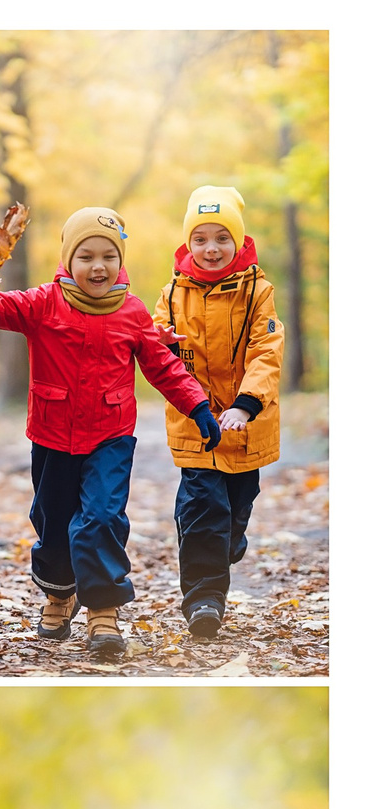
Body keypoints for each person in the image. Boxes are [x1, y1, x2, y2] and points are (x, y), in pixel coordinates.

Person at [0, 207, 215, 658]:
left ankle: (103, 609)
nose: (98, 266)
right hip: (51, 432)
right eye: (86, 256)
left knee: (101, 516)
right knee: (53, 519)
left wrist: (196, 404)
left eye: (108, 256)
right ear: (69, 259)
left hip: (110, 434)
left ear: (120, 261)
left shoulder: (133, 311)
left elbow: (162, 364)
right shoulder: (44, 302)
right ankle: (60, 593)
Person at [150, 185, 283, 641]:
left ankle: (228, 537)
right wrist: (159, 344)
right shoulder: (171, 294)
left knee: (236, 503)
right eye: (200, 238)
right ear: (188, 242)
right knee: (202, 504)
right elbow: (155, 347)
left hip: (247, 423)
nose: (210, 248)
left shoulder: (257, 291)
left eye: (221, 238)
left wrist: (247, 405)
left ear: (237, 241)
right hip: (197, 422)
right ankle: (204, 600)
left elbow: (267, 351)